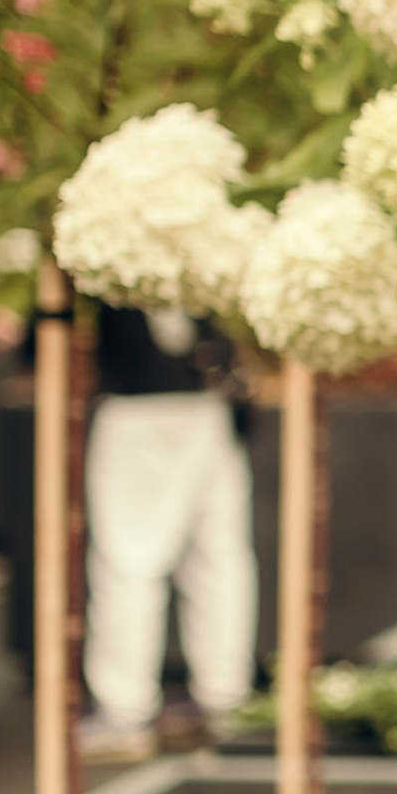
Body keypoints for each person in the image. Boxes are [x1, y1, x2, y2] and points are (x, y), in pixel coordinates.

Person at [83, 305, 257, 760]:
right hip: (204, 404)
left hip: (142, 412)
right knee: (217, 559)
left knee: (131, 561)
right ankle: (224, 696)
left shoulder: (106, 247)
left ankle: (126, 711)